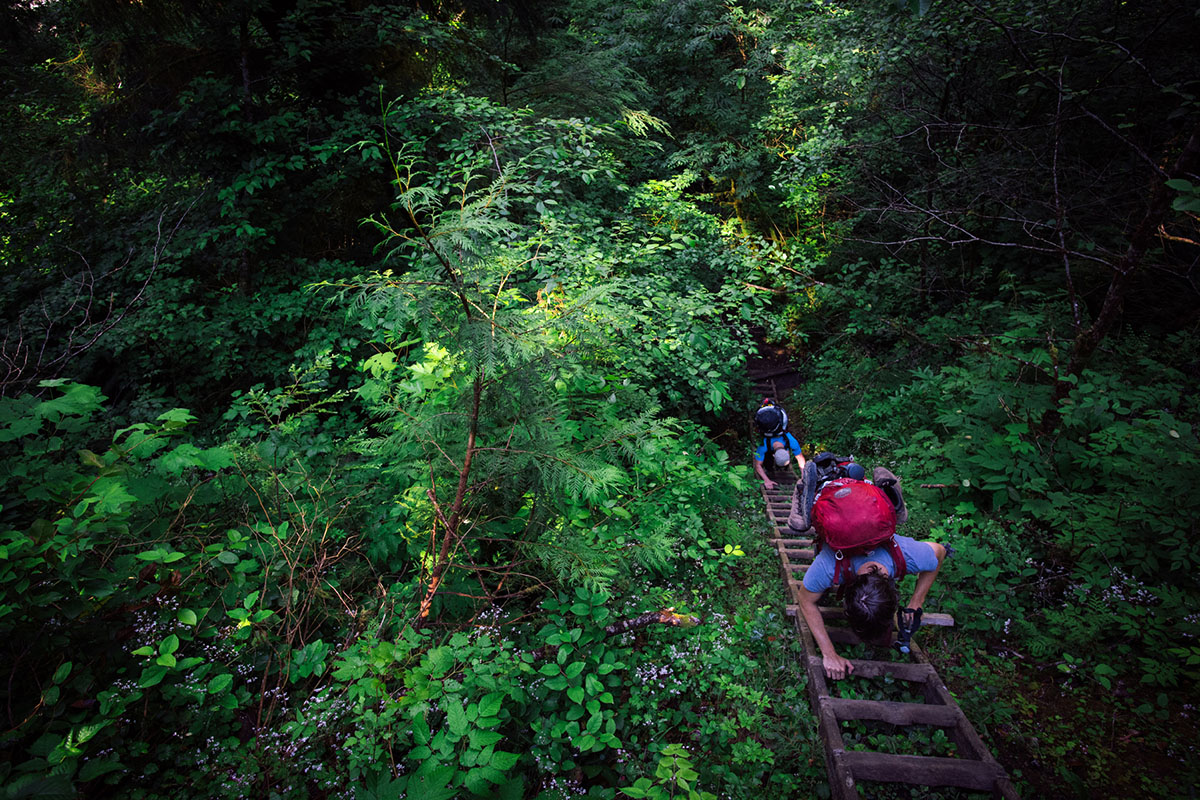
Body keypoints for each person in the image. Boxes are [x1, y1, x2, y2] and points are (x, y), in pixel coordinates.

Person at [752, 398, 805, 490]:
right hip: (768, 423)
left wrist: (804, 478)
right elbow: (800, 459)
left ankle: (779, 468)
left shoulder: (764, 446)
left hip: (771, 423)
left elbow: (757, 464)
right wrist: (767, 480)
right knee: (767, 463)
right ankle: (770, 469)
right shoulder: (791, 442)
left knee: (766, 459)